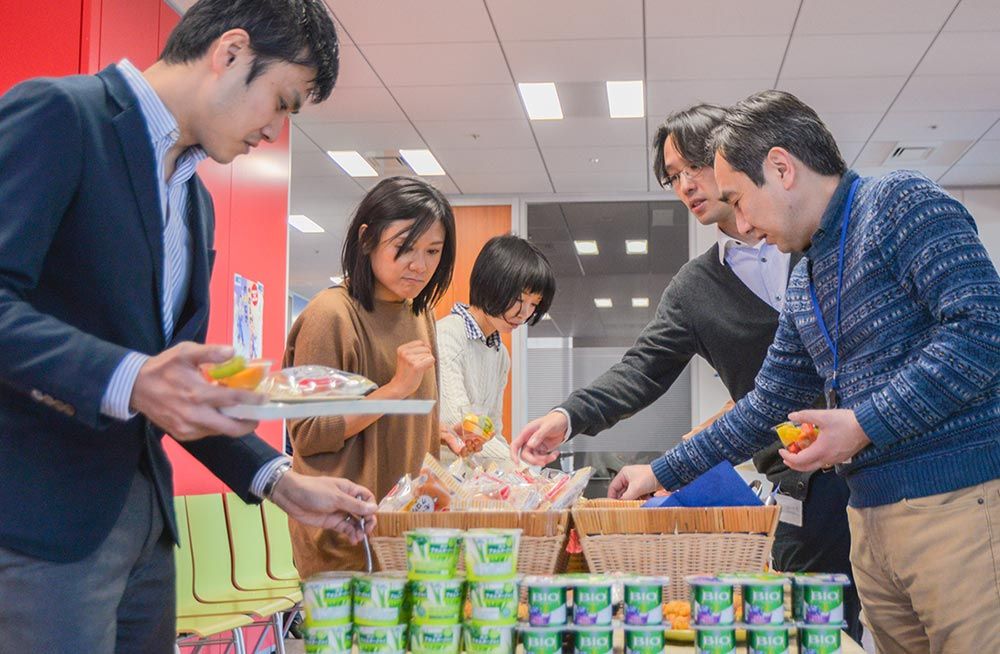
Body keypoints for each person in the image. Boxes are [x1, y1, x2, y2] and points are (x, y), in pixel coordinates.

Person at [0, 1, 378, 652]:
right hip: (41, 526)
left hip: (146, 527)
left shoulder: (196, 201)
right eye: (281, 101)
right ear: (230, 53)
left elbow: (176, 385)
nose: (274, 129)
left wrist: (283, 482)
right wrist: (129, 376)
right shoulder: (63, 116)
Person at [609, 90, 1000, 653]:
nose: (739, 222)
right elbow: (768, 404)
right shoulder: (806, 276)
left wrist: (862, 423)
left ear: (782, 168)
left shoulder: (898, 203)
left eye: (740, 200)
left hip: (955, 508)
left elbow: (982, 328)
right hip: (870, 518)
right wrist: (662, 472)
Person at [510, 104, 861, 638]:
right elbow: (643, 370)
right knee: (808, 632)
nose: (686, 186)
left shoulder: (815, 242)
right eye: (673, 178)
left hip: (880, 465)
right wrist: (567, 416)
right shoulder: (696, 288)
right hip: (800, 489)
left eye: (692, 167)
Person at [284, 176, 456, 576]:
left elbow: (410, 413)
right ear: (367, 239)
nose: (420, 264)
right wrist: (395, 390)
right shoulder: (330, 315)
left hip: (404, 531)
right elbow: (308, 433)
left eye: (433, 251)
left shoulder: (419, 313)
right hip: (343, 534)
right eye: (404, 248)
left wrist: (438, 431)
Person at [437, 234, 555, 458]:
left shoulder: (500, 354)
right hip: (440, 478)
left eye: (534, 304)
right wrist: (520, 470)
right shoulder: (448, 335)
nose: (524, 313)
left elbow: (493, 433)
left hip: (473, 480)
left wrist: (516, 470)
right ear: (491, 284)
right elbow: (460, 424)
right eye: (520, 300)